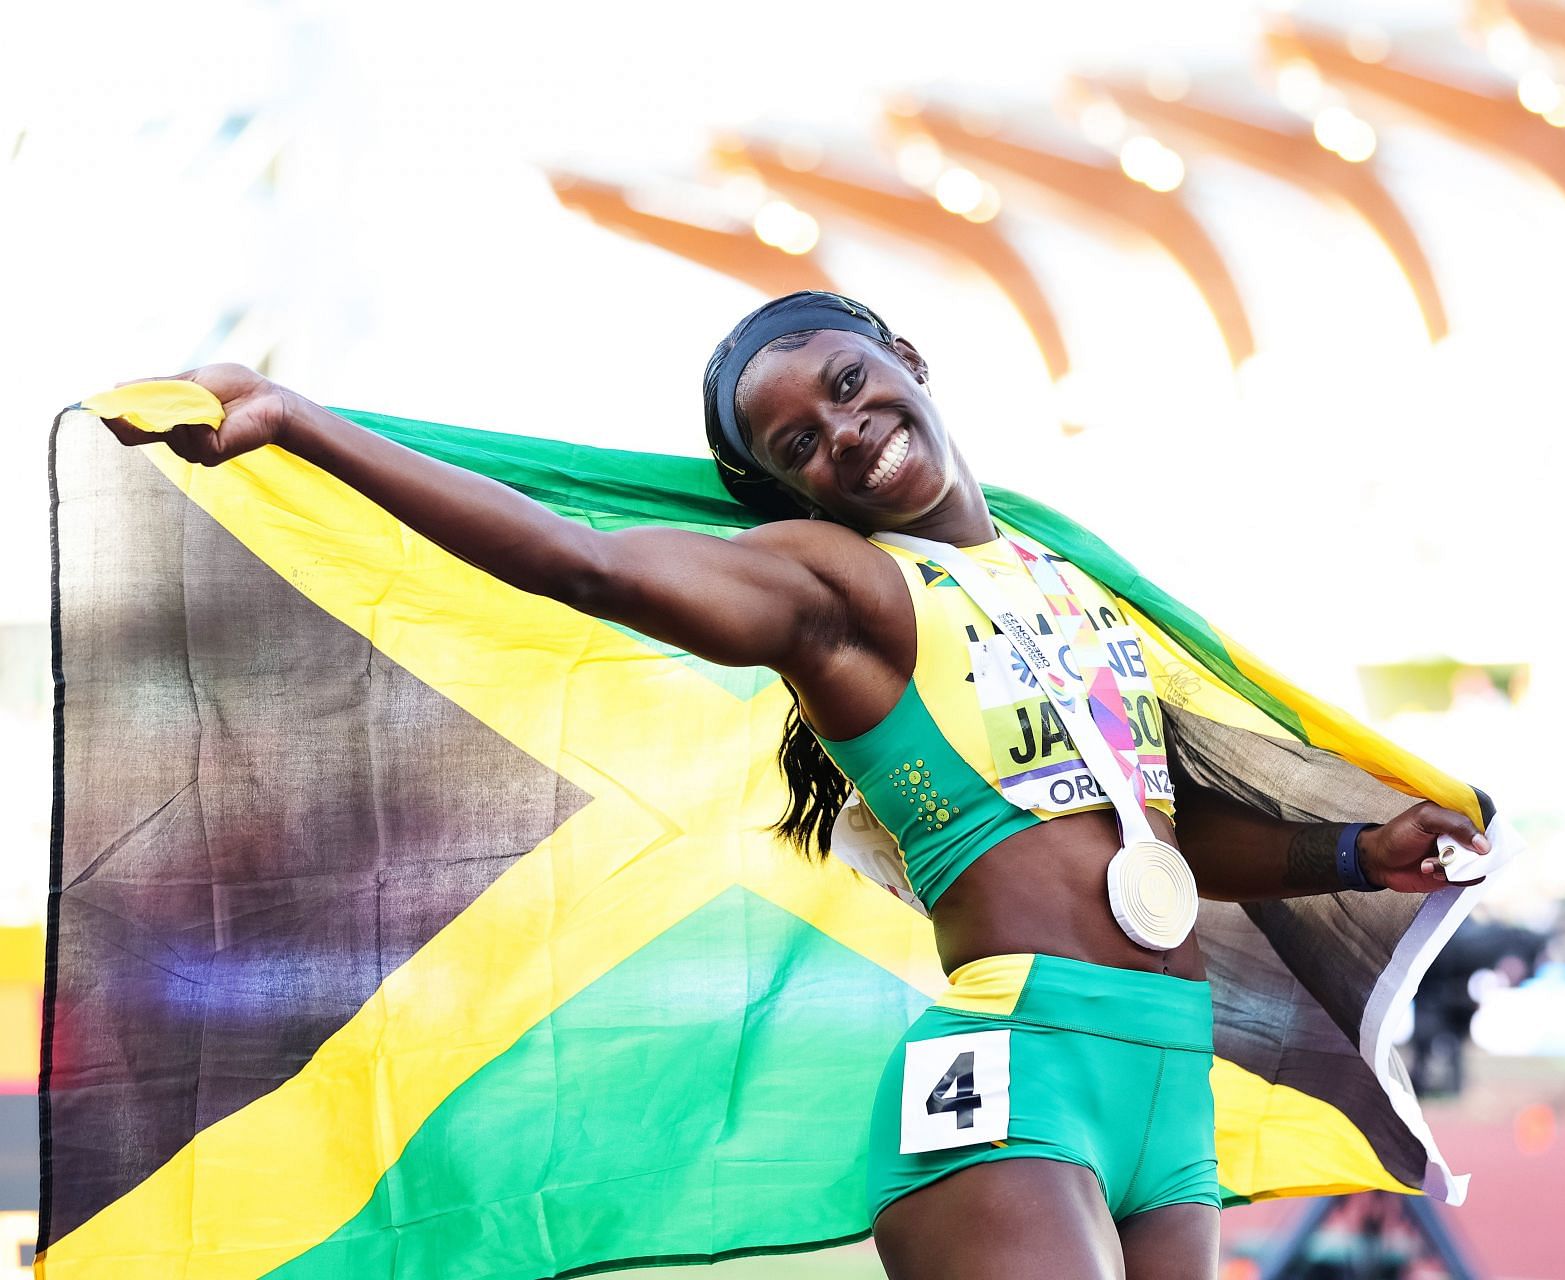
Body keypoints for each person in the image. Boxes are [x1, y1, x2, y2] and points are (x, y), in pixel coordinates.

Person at [103, 291, 1489, 1280]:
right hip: (1012, 1073)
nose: (843, 435)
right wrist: (306, 426)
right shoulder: (841, 592)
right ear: (782, 498)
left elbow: (1167, 842)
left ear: (905, 356)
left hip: (1161, 1086)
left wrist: (1368, 851)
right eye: (796, 449)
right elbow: (581, 562)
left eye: (842, 386)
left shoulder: (1074, 582)